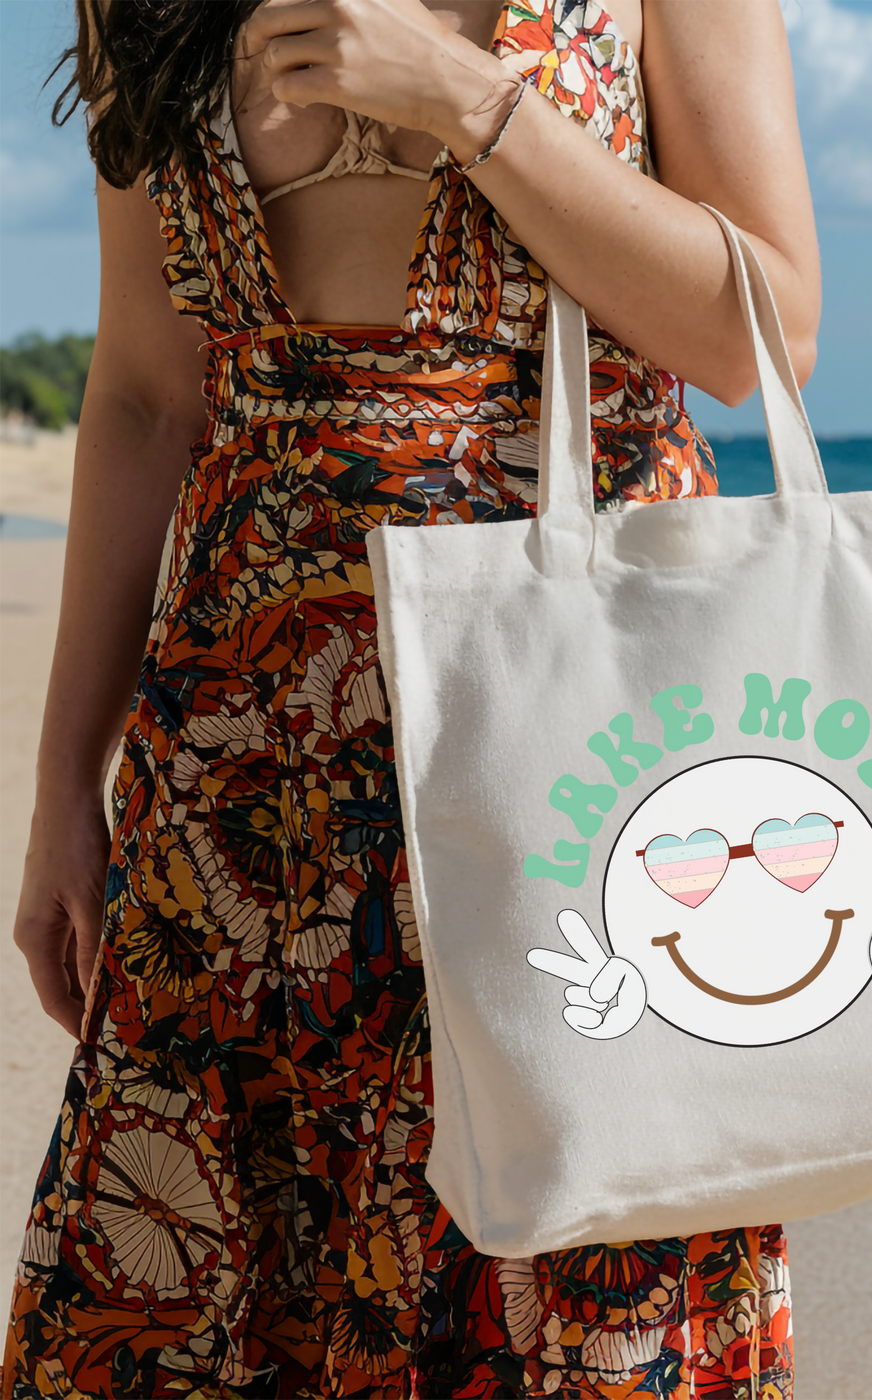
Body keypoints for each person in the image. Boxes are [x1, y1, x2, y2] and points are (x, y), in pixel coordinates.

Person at [3, 0, 821, 1394]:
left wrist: (471, 101)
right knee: (199, 1292)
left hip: (576, 746)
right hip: (242, 773)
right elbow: (146, 395)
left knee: (567, 1277)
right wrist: (62, 788)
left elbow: (763, 335)